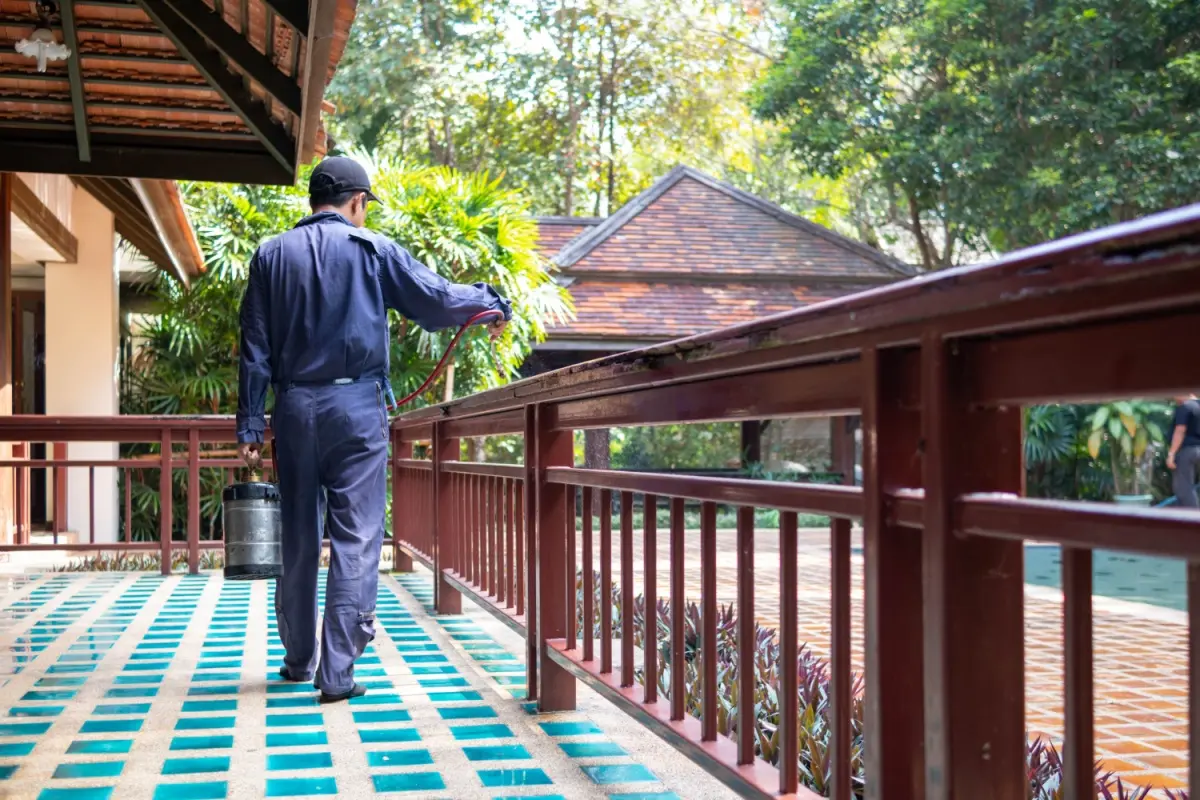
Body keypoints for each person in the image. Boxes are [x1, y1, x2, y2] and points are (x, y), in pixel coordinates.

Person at [235, 156, 511, 702]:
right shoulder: (373, 250)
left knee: (297, 535)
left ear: (313, 201)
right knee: (356, 537)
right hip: (356, 410)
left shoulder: (270, 255)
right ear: (357, 202)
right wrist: (492, 303)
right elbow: (437, 301)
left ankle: (296, 659)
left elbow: (254, 349)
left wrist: (249, 423)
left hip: (292, 410)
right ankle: (336, 673)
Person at [1167, 393, 1200, 509]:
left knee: (1184, 489)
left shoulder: (1185, 407)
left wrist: (1171, 454)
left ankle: (1193, 519)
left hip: (1187, 451)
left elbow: (1180, 431)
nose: (1174, 398)